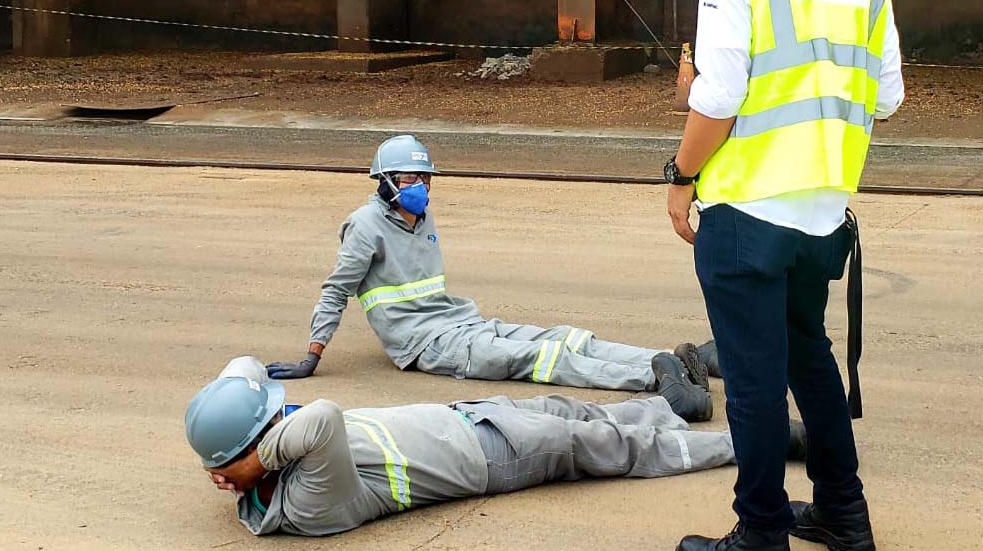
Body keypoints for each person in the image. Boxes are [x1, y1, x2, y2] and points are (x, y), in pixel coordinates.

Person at [662, 0, 905, 551]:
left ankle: (762, 540)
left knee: (755, 378)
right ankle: (843, 513)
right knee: (808, 357)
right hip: (823, 215)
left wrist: (681, 175)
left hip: (747, 212)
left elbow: (720, 96)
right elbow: (887, 96)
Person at [267, 134, 712, 420]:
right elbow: (336, 291)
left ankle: (672, 359)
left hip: (460, 321)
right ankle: (656, 379)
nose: (421, 187)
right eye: (410, 178)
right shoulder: (365, 226)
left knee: (564, 338)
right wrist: (312, 355)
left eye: (425, 178)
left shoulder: (421, 217)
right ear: (384, 182)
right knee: (539, 359)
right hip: (426, 345)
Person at [186, 356, 811, 536]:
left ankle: (672, 406)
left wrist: (238, 440)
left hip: (466, 418)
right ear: (253, 454)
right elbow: (322, 417)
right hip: (491, 459)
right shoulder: (306, 505)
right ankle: (751, 444)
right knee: (617, 448)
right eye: (271, 422)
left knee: (574, 411)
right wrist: (252, 462)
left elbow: (245, 368)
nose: (285, 414)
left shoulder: (270, 455)